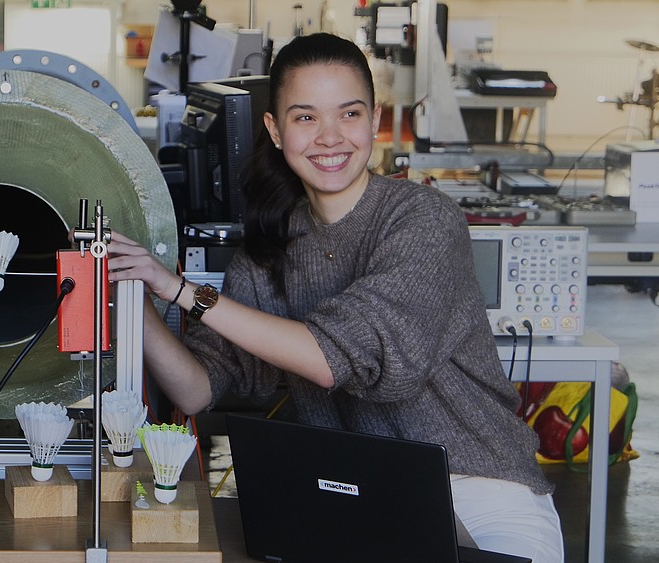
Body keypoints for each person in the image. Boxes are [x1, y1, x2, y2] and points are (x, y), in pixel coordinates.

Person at [106, 32, 563, 562]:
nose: (329, 137)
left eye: (348, 114)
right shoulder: (272, 248)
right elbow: (196, 390)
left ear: (374, 120)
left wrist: (178, 289)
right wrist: (131, 288)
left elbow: (333, 359)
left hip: (485, 494)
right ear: (275, 131)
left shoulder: (423, 220)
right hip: (361, 502)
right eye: (305, 117)